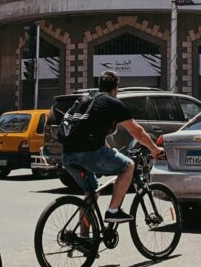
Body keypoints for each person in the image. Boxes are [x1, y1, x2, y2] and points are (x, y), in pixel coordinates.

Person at [61, 70, 164, 223]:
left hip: (68, 155)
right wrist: (154, 149)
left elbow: (91, 133)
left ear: (100, 86)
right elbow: (136, 131)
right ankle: (113, 211)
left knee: (91, 194)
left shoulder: (86, 99)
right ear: (116, 88)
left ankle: (84, 240)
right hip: (89, 154)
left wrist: (109, 150)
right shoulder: (113, 103)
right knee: (128, 165)